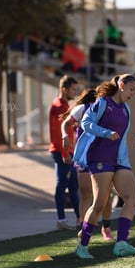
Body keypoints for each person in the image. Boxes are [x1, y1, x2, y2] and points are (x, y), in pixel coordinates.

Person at [73, 74, 135, 259]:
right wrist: (106, 133)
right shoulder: (102, 103)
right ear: (121, 85)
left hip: (118, 160)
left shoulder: (127, 109)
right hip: (99, 156)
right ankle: (83, 247)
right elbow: (86, 123)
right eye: (131, 89)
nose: (133, 94)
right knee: (99, 204)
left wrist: (124, 159)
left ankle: (121, 244)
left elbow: (122, 139)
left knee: (133, 199)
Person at [61, 88, 114, 240]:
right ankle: (84, 227)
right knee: (86, 195)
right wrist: (65, 135)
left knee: (104, 197)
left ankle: (106, 226)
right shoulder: (82, 109)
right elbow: (66, 123)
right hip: (85, 157)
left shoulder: (110, 110)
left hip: (103, 157)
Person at [48, 75, 80, 230]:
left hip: (69, 152)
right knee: (62, 185)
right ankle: (61, 220)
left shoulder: (65, 105)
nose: (75, 92)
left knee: (73, 186)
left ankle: (80, 219)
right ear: (64, 89)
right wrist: (64, 153)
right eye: (73, 89)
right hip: (62, 153)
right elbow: (57, 133)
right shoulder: (58, 106)